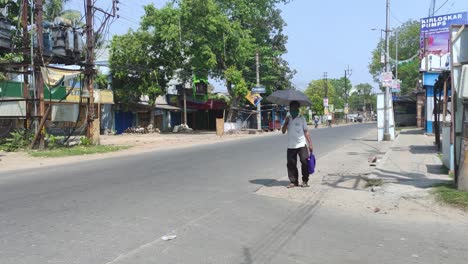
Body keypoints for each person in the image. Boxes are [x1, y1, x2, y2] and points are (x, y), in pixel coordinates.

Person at [282, 101, 314, 188]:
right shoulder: (287, 118)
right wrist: (285, 123)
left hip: (302, 144)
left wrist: (310, 143)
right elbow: (283, 131)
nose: (293, 110)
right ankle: (294, 181)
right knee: (291, 164)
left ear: (298, 109)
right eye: (291, 108)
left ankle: (305, 180)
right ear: (290, 109)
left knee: (305, 162)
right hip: (291, 145)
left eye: (295, 108)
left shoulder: (302, 118)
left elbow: (306, 131)